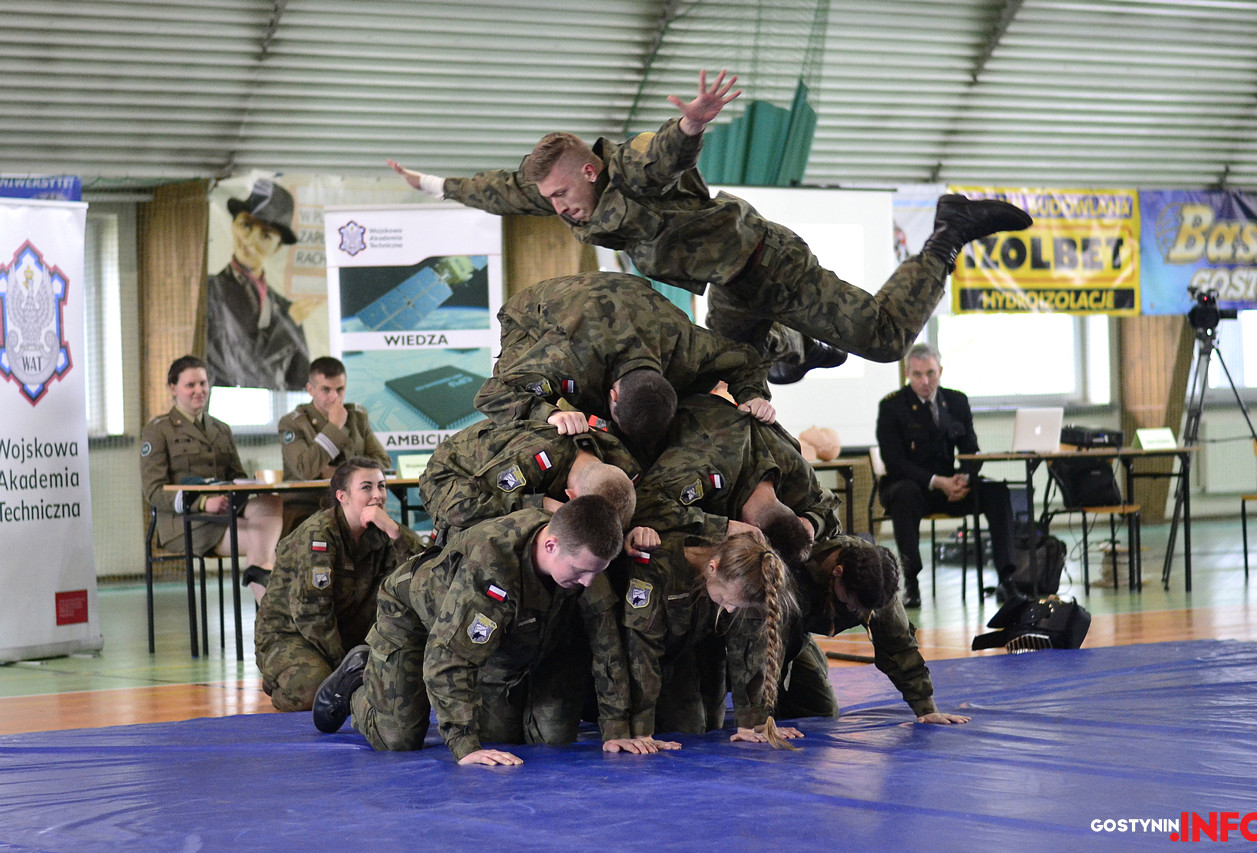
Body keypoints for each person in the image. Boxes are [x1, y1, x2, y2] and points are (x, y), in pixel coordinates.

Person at [390, 69, 1033, 384]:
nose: (559, 208)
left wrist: (693, 122)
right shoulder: (554, 192)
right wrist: (426, 183)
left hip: (766, 260)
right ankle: (801, 350)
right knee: (735, 372)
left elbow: (666, 152)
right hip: (728, 289)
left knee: (887, 340)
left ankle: (946, 233)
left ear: (589, 168)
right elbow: (496, 190)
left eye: (564, 193)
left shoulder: (633, 170)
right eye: (550, 199)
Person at [312, 497, 659, 765]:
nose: (588, 582)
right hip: (414, 615)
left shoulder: (585, 558)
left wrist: (615, 730)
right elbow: (448, 657)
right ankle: (360, 683)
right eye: (582, 572)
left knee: (527, 737)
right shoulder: (493, 565)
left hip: (503, 636)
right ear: (551, 546)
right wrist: (464, 747)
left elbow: (607, 643)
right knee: (398, 738)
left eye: (596, 572)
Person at [472, 271, 776, 459]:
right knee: (519, 414)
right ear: (613, 397)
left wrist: (753, 394)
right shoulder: (568, 356)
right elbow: (491, 395)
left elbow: (748, 358)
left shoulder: (688, 350)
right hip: (538, 310)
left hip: (633, 301)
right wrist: (547, 414)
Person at [254, 458, 422, 711]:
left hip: (347, 633)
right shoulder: (319, 535)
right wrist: (345, 667)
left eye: (381, 486)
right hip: (292, 635)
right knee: (313, 689)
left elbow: (424, 575)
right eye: (366, 487)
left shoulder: (382, 530)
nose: (377, 495)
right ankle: (278, 680)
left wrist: (396, 532)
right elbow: (311, 613)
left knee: (402, 681)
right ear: (342, 496)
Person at [620, 529, 800, 748]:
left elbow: (748, 649)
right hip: (632, 663)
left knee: (702, 726)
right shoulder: (660, 566)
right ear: (712, 568)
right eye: (725, 599)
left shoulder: (744, 577)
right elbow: (641, 653)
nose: (730, 610)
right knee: (678, 728)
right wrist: (642, 732)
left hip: (685, 655)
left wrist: (753, 722)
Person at [769, 534, 970, 726]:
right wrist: (759, 721)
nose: (854, 611)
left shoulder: (878, 583)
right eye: (851, 604)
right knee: (757, 698)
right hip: (752, 634)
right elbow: (761, 642)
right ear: (837, 572)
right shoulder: (796, 571)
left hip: (796, 637)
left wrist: (926, 709)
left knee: (820, 708)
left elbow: (898, 646)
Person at [875, 342, 1019, 608]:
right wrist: (937, 482)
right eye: (917, 374)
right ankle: (912, 583)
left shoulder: (956, 401)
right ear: (908, 374)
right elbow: (895, 462)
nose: (925, 381)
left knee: (998, 491)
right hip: (914, 487)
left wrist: (963, 477)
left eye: (930, 373)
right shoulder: (892, 407)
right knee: (904, 494)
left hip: (951, 487)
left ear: (940, 370)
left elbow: (970, 449)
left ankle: (1007, 579)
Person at [631, 394, 840, 567]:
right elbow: (643, 503)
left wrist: (812, 523)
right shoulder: (706, 467)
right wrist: (722, 528)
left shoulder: (798, 476)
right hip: (665, 415)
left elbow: (826, 504)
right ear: (750, 529)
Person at [140, 355, 284, 602]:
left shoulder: (221, 428)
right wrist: (203, 503)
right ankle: (273, 623)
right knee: (263, 544)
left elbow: (236, 477)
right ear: (173, 389)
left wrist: (252, 484)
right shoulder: (158, 430)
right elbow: (153, 491)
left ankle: (267, 610)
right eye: (190, 385)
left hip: (225, 513)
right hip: (185, 522)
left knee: (271, 502)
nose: (199, 391)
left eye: (203, 384)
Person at [419, 415, 640, 546]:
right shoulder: (530, 461)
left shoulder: (620, 460)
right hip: (450, 479)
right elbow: (460, 508)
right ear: (570, 496)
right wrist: (537, 504)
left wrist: (636, 532)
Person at [206, 178, 311, 391]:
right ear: (233, 225)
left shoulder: (284, 307)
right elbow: (237, 368)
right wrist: (286, 325)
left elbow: (300, 381)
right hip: (221, 413)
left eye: (265, 235)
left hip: (275, 417)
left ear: (277, 248)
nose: (251, 241)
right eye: (246, 225)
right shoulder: (208, 291)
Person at [278, 357, 392, 534]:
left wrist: (341, 474)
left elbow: (383, 462)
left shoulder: (356, 416)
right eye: (326, 390)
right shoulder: (293, 423)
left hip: (356, 507)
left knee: (392, 536)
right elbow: (305, 470)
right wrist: (334, 427)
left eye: (340, 389)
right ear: (310, 389)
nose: (334, 397)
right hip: (309, 508)